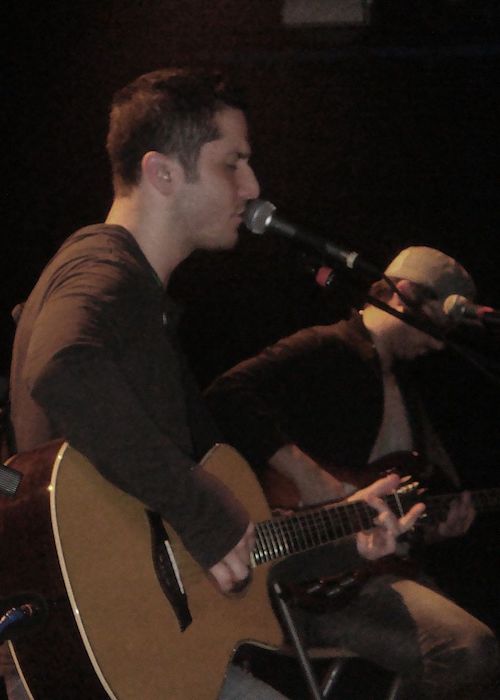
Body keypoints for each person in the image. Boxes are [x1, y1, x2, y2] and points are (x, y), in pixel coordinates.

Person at [5, 68, 424, 700]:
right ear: (163, 172)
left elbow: (225, 551)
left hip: (143, 649)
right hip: (112, 650)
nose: (254, 187)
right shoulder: (101, 267)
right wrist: (202, 507)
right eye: (234, 162)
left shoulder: (143, 304)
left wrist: (343, 538)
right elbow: (63, 368)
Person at [205, 245, 499, 699]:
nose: (440, 343)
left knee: (478, 647)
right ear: (401, 294)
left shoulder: (405, 389)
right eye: (436, 326)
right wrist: (307, 475)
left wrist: (436, 528)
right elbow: (225, 395)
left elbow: (392, 512)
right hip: (308, 578)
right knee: (468, 648)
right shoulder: (327, 346)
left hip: (368, 569)